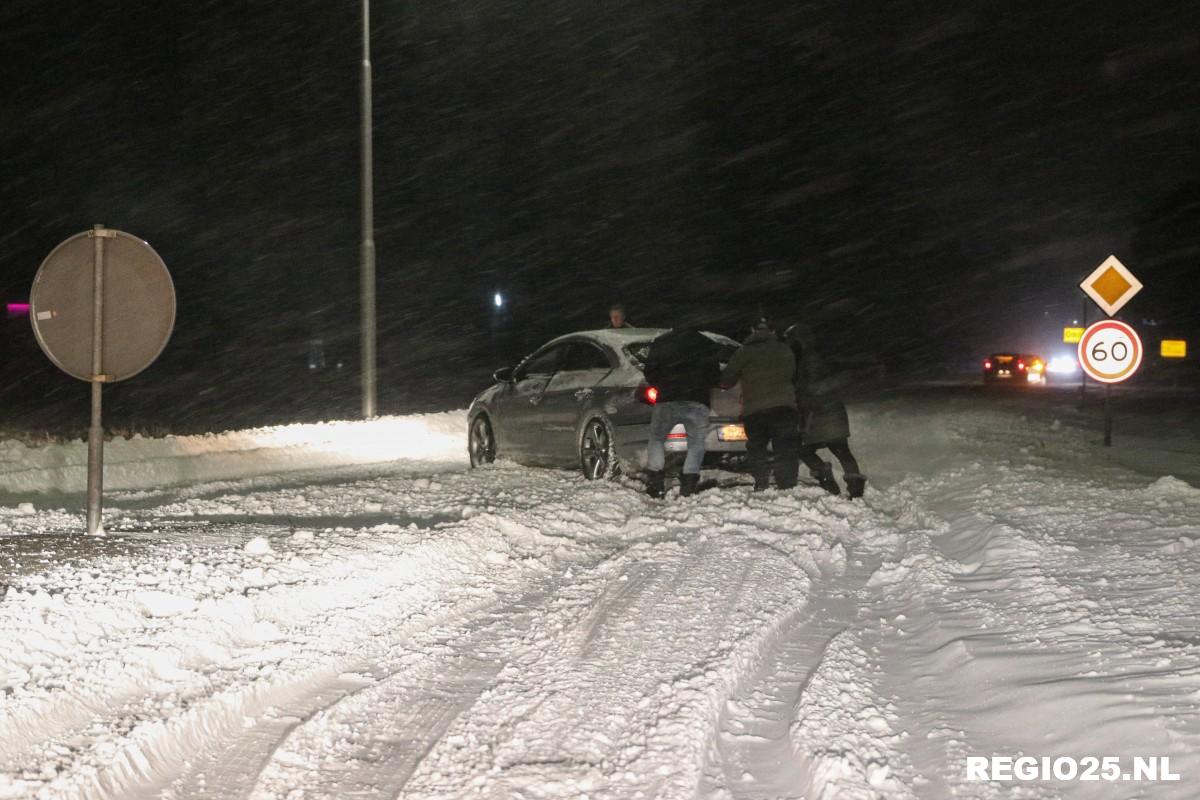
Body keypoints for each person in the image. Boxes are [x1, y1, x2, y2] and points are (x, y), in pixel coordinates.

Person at [784, 323, 866, 499]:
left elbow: (813, 387)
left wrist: (800, 392)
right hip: (831, 411)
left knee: (805, 450)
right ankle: (855, 489)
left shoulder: (808, 359)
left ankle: (827, 478)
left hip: (821, 413)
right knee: (841, 450)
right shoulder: (820, 355)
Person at [720, 318, 800, 491]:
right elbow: (794, 374)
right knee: (785, 446)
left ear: (752, 330)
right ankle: (786, 484)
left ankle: (761, 480)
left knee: (756, 446)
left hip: (755, 409)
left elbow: (727, 380)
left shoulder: (744, 352)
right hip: (784, 407)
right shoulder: (785, 349)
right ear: (773, 331)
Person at [642, 327, 721, 497]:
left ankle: (656, 482)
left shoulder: (661, 342)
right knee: (696, 443)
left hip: (667, 399)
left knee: (656, 438)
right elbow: (715, 377)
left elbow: (649, 373)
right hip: (697, 400)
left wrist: (666, 382)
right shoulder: (706, 344)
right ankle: (689, 482)